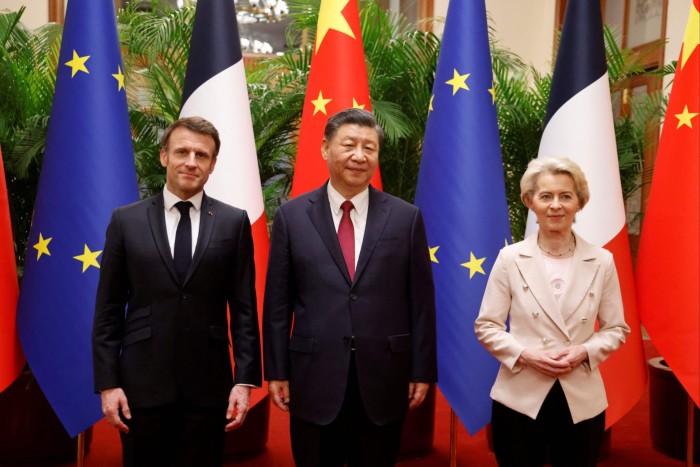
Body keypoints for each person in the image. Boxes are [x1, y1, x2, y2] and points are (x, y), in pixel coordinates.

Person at [263, 108, 437, 467]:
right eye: (349, 145)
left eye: (369, 147)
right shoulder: (292, 217)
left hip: (384, 377)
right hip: (313, 376)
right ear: (326, 149)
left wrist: (422, 370)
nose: (359, 155)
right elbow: (278, 303)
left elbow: (421, 302)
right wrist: (277, 369)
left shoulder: (406, 218)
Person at [92, 116, 262, 467]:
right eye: (182, 151)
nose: (191, 161)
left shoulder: (233, 222)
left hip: (209, 387)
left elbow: (244, 309)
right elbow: (108, 310)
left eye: (202, 155)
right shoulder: (126, 221)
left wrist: (244, 381)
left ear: (213, 164)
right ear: (163, 156)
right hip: (142, 386)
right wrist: (108, 384)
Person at [474, 157, 630, 467]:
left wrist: (584, 351)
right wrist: (527, 355)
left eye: (565, 196)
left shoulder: (602, 261)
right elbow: (487, 326)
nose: (555, 205)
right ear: (530, 201)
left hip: (580, 398)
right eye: (546, 196)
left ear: (580, 203)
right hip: (520, 395)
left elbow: (616, 329)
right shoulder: (510, 259)